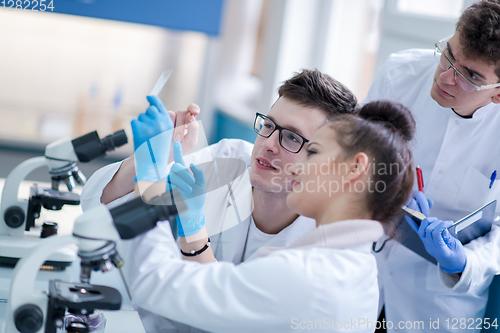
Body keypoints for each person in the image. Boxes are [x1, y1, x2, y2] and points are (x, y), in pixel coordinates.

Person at [81, 69, 359, 332]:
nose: (269, 144)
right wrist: (155, 156)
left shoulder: (316, 250)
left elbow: (220, 317)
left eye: (291, 137)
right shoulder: (230, 160)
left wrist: (191, 228)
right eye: (268, 125)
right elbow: (98, 205)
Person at [121, 99, 416, 333]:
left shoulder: (308, 277)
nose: (296, 167)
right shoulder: (353, 267)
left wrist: (150, 169)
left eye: (311, 152)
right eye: (267, 127)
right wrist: (193, 224)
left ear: (354, 169)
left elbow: (155, 282)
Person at [363, 0, 500, 331]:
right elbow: (353, 156)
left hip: (437, 303)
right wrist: (386, 185)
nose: (446, 77)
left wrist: (462, 261)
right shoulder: (399, 72)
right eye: (449, 55)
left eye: (469, 75)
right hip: (366, 264)